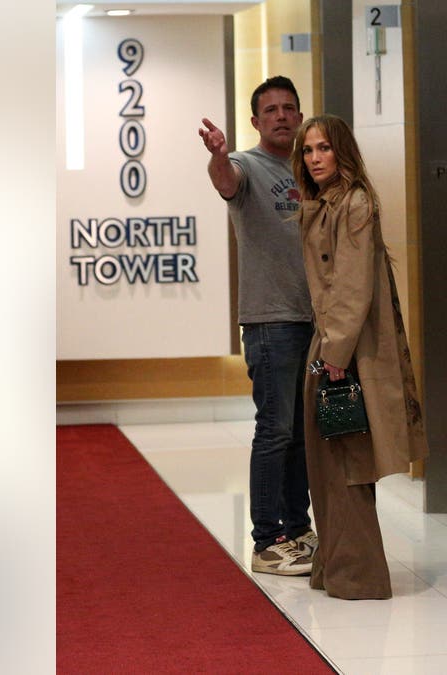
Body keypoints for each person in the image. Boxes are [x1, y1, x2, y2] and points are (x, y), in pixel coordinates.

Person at [291, 115, 429, 600]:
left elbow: (351, 288)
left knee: (346, 464)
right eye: (308, 151)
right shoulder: (323, 204)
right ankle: (335, 566)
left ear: (341, 151)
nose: (314, 158)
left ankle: (358, 575)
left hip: (344, 351)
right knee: (327, 463)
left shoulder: (353, 204)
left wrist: (333, 355)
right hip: (330, 342)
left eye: (323, 148)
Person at [197, 76, 317, 576]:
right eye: (271, 110)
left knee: (300, 435)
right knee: (274, 432)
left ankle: (299, 529)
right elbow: (226, 182)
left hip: (313, 321)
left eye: (290, 108)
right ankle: (267, 540)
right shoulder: (247, 165)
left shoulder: (311, 168)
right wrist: (218, 155)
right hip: (271, 322)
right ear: (256, 121)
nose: (282, 116)